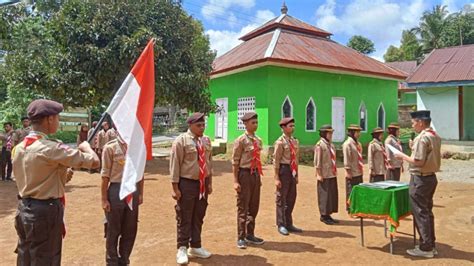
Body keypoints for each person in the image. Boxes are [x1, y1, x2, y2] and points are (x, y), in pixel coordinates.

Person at [12, 99, 100, 265]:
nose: (58, 122)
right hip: (45, 213)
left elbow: (36, 177)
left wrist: (61, 175)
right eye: (57, 118)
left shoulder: (20, 148)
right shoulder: (51, 148)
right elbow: (94, 162)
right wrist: (87, 147)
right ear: (49, 119)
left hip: (24, 209)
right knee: (47, 259)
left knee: (26, 259)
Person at [395, 110, 441, 258]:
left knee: (420, 212)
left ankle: (425, 247)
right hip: (430, 178)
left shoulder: (422, 138)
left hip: (420, 179)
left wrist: (402, 156)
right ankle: (430, 243)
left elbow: (419, 162)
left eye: (414, 122)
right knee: (427, 211)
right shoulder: (434, 135)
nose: (412, 125)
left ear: (421, 122)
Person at [170, 112, 213, 264]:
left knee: (199, 215)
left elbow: (209, 163)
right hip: (187, 183)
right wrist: (175, 188)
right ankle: (182, 247)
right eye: (198, 125)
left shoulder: (206, 141)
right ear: (190, 125)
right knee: (184, 216)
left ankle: (196, 245)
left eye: (203, 125)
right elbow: (175, 165)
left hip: (201, 183)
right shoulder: (181, 141)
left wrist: (209, 182)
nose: (202, 128)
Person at [101, 134, 144, 265]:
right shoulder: (110, 147)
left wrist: (141, 193)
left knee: (130, 228)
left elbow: (140, 172)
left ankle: (124, 260)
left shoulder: (136, 148)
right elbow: (105, 175)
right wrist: (104, 199)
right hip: (116, 190)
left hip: (132, 189)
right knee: (113, 228)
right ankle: (112, 261)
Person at [232, 112, 265, 249]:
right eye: (253, 123)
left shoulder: (258, 140)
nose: (255, 125)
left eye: (256, 122)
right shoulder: (241, 140)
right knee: (243, 206)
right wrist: (235, 181)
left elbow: (258, 160)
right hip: (244, 175)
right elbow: (235, 161)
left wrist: (258, 178)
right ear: (245, 124)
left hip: (255, 175)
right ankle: (241, 236)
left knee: (254, 205)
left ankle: (250, 234)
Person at [273, 117, 302, 235]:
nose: (293, 128)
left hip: (292, 171)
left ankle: (289, 223)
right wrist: (276, 177)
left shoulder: (295, 141)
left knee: (291, 198)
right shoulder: (280, 142)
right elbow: (276, 160)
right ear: (283, 128)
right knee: (282, 198)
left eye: (293, 126)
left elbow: (296, 159)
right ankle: (281, 224)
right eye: (290, 126)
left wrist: (297, 174)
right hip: (283, 171)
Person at [314, 125, 339, 225]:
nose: (331, 135)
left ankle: (329, 214)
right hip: (324, 173)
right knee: (324, 195)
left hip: (331, 173)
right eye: (329, 133)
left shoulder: (331, 145)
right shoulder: (320, 145)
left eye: (331, 133)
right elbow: (317, 160)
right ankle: (323, 215)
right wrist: (319, 173)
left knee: (331, 195)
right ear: (324, 134)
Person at [342, 124, 364, 212]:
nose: (359, 134)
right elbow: (347, 158)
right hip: (352, 171)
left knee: (358, 189)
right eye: (357, 132)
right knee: (351, 190)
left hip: (358, 170)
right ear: (352, 133)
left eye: (359, 132)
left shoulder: (358, 144)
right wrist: (348, 170)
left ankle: (357, 206)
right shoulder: (348, 144)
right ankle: (350, 207)